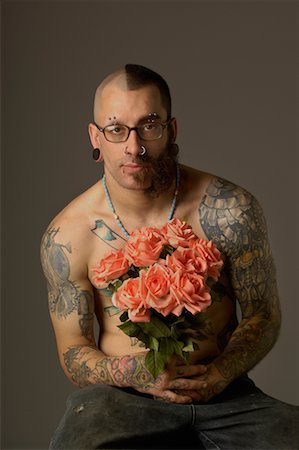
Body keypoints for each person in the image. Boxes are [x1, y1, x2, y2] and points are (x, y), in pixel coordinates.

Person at [40, 64, 298, 449]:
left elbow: (263, 313)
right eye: (116, 130)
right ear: (96, 138)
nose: (134, 146)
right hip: (122, 398)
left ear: (171, 130)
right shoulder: (70, 234)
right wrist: (134, 373)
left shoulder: (229, 210)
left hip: (226, 394)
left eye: (149, 125)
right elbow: (74, 348)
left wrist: (220, 375)